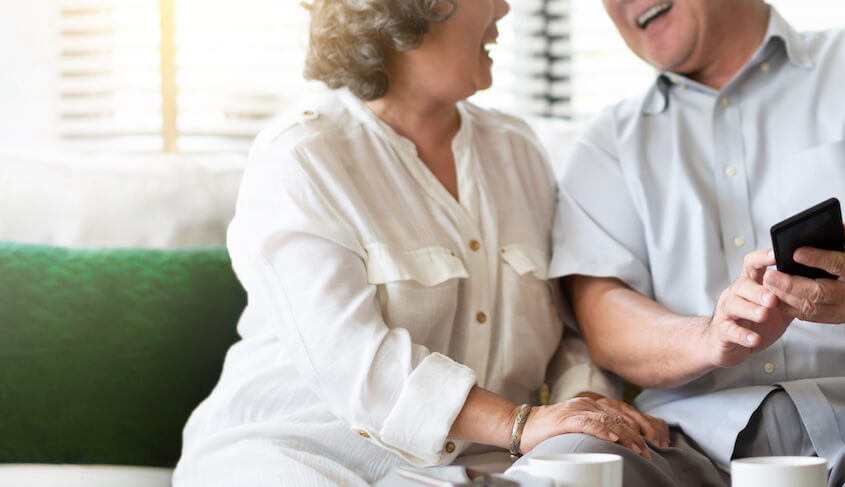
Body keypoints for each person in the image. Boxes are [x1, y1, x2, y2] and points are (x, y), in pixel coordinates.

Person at [521, 0, 845, 485]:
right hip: (688, 445)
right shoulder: (608, 142)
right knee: (561, 461)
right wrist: (709, 335)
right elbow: (602, 316)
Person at [172, 0, 668, 485]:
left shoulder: (518, 151)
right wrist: (520, 423)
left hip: (478, 466)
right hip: (302, 453)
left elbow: (568, 334)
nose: (503, 11)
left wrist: (586, 409)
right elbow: (355, 364)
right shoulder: (302, 157)